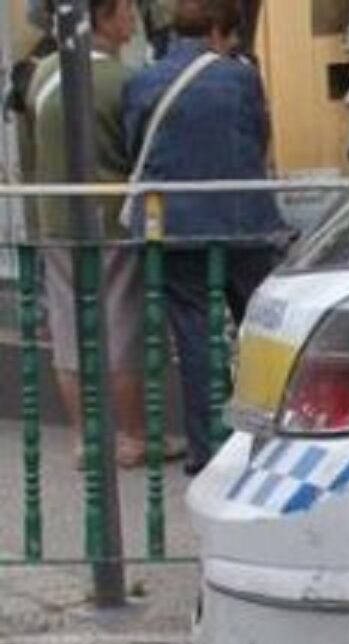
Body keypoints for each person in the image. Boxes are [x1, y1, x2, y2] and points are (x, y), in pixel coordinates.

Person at [123, 0, 282, 474]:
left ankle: (207, 446)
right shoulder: (240, 78)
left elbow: (136, 145)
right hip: (242, 223)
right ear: (218, 31)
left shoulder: (141, 81)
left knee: (194, 335)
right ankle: (264, 439)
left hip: (172, 226)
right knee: (260, 329)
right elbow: (258, 137)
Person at [27, 0, 153, 468]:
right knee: (119, 328)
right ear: (103, 18)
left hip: (54, 219)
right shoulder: (123, 83)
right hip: (110, 219)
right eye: (126, 10)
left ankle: (85, 438)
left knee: (68, 331)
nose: (134, 19)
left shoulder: (42, 74)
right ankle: (131, 436)